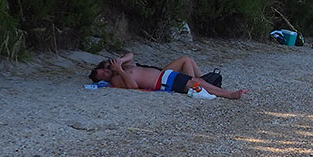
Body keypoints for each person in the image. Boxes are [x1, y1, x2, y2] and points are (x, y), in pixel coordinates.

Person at [88, 52, 248, 100]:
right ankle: (228, 94)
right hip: (162, 82)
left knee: (195, 81)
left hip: (164, 76)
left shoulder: (122, 66)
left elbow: (131, 55)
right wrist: (120, 71)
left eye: (104, 69)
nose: (105, 72)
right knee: (194, 82)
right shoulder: (117, 78)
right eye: (102, 74)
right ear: (103, 79)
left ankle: (220, 90)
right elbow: (133, 87)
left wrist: (120, 62)